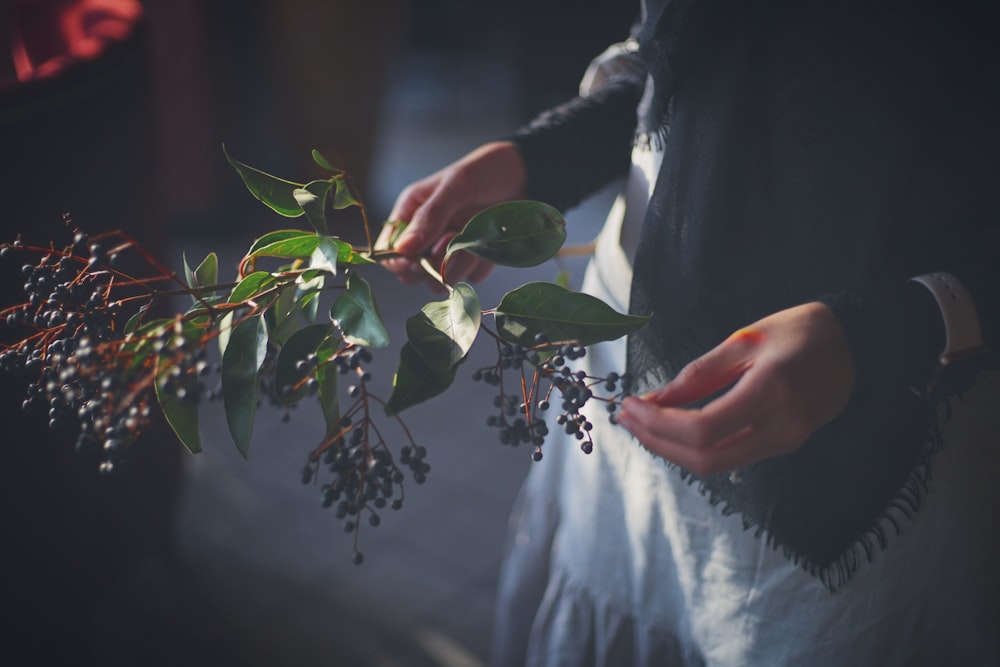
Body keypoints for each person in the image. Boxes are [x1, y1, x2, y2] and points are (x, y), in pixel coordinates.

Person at [379, 2, 1000, 664]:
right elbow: (692, 68)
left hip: (887, 444)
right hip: (626, 378)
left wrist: (890, 333)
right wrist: (539, 161)